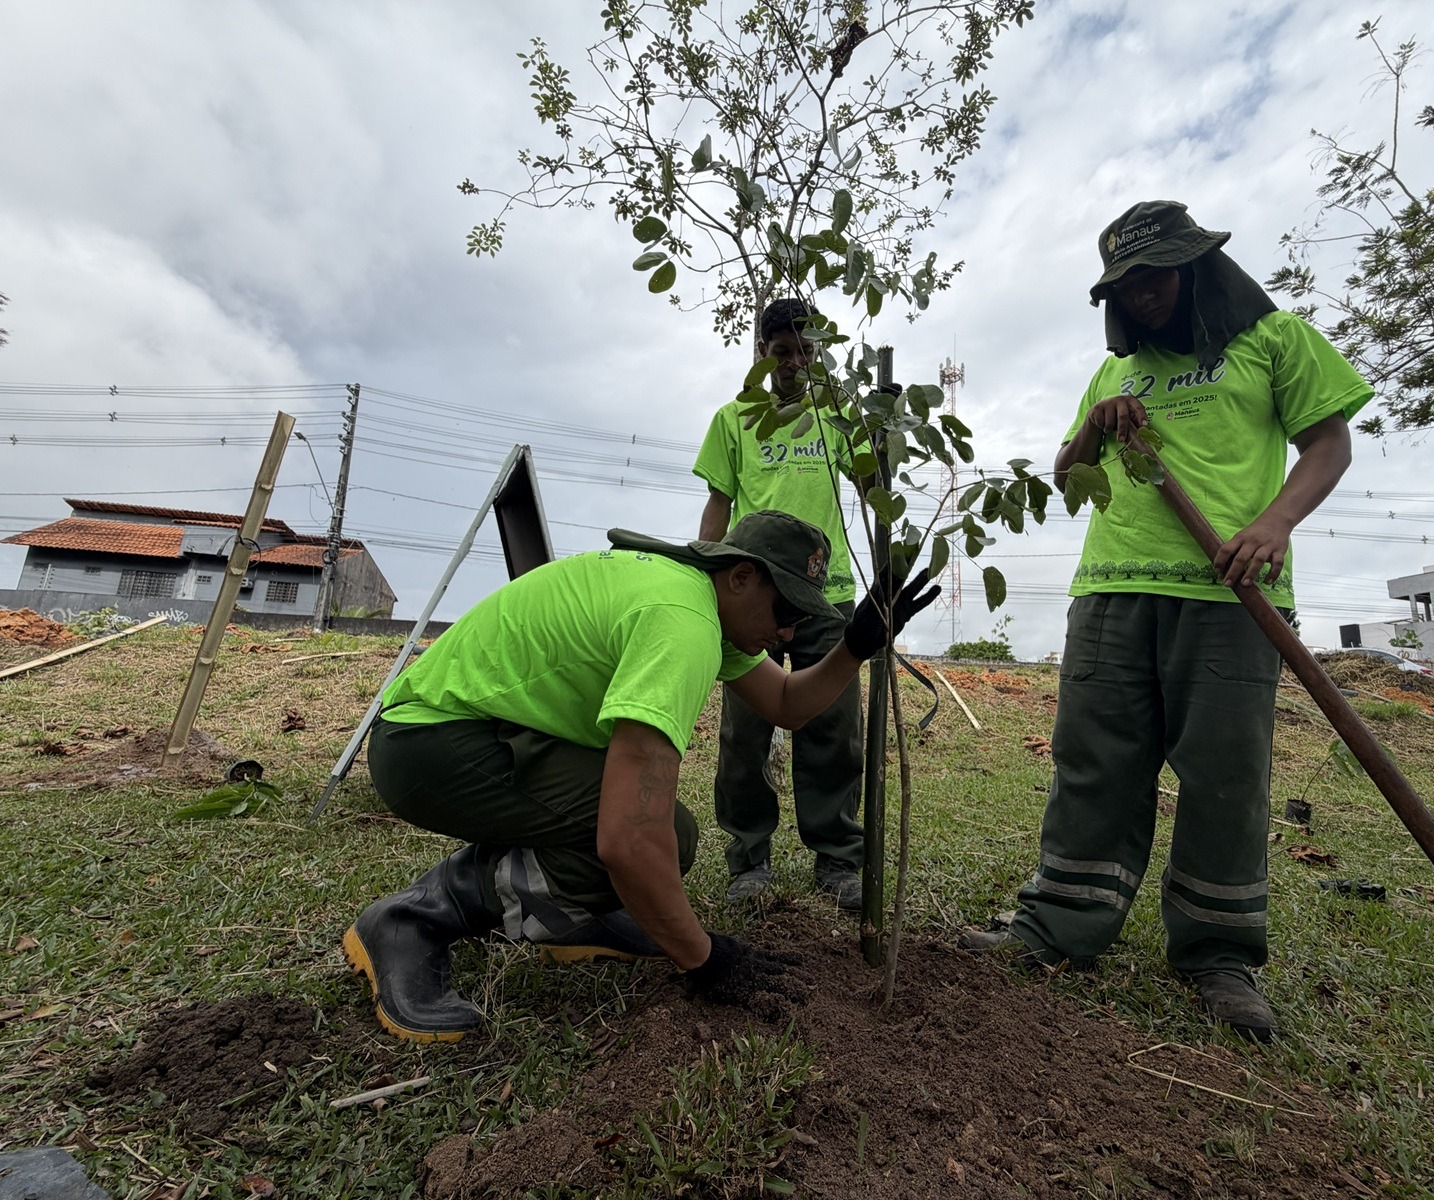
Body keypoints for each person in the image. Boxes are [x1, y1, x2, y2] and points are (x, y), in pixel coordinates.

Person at [963, 200, 1372, 1042]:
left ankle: (1218, 956)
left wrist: (1275, 524)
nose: (1142, 295)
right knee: (1094, 764)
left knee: (1225, 780)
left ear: (1193, 267)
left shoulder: (1274, 339)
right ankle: (1058, 927)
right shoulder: (1114, 372)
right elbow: (1067, 476)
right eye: (1125, 284)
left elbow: (1328, 444)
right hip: (1113, 590)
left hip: (1230, 593)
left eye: (1154, 275)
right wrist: (1092, 427)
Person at [343, 509, 936, 1043]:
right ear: (741, 576)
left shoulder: (699, 599)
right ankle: (415, 915)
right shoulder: (682, 622)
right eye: (785, 611)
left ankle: (569, 916)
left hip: (473, 730)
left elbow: (785, 703)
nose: (787, 634)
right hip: (430, 744)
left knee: (653, 843)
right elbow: (628, 837)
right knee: (658, 839)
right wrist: (705, 960)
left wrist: (854, 646)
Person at [694, 298, 867, 910]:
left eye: (805, 350)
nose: (795, 362)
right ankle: (748, 859)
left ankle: (839, 860)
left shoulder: (840, 413)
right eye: (782, 351)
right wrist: (706, 577)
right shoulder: (734, 418)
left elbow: (873, 485)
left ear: (819, 352)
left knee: (834, 731)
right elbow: (719, 506)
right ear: (762, 353)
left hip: (829, 597)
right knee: (746, 734)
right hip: (754, 598)